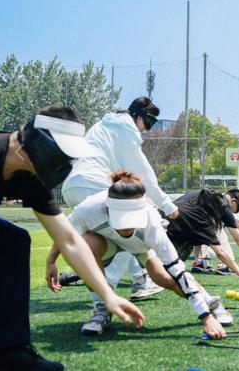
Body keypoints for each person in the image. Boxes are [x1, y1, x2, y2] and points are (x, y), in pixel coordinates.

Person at [0, 107, 144, 371]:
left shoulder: (28, 177)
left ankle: (10, 353)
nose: (64, 163)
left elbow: (69, 240)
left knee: (13, 241)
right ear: (40, 141)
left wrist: (108, 295)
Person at [45, 171, 229, 338]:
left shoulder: (152, 223)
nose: (126, 227)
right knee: (84, 246)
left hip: (141, 246)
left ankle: (212, 305)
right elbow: (66, 235)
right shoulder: (89, 209)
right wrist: (51, 262)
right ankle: (101, 309)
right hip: (105, 242)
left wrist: (205, 317)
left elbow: (178, 271)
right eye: (121, 219)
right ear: (107, 208)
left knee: (164, 278)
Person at [61, 96, 176, 300]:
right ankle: (108, 293)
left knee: (120, 230)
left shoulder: (103, 125)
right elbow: (143, 173)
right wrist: (167, 205)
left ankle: (141, 280)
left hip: (72, 186)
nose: (146, 129)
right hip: (94, 184)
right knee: (124, 229)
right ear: (135, 116)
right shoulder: (126, 129)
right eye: (147, 123)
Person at [164, 188, 239, 282]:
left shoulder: (199, 195)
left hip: (160, 220)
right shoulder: (208, 217)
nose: (231, 214)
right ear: (233, 201)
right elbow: (230, 243)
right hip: (172, 229)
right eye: (234, 211)